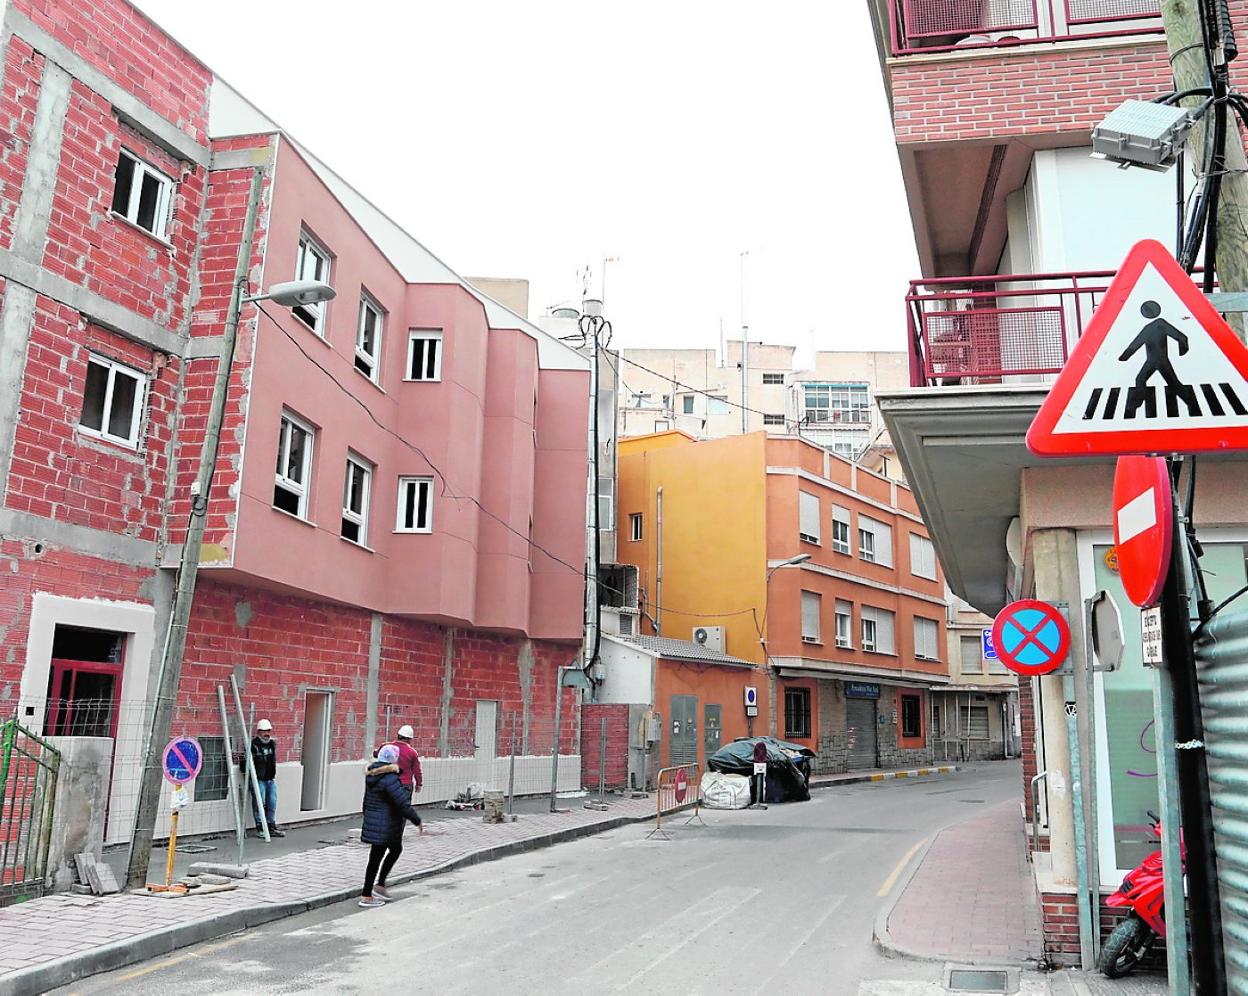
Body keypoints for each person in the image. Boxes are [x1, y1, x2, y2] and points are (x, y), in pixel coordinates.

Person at [359, 744, 423, 908]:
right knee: (381, 855)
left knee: (388, 851)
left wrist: (368, 816)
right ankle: (367, 895)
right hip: (385, 823)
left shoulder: (373, 774)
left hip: (376, 820)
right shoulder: (389, 778)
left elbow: (366, 801)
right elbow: (402, 803)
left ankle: (378, 887)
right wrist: (416, 820)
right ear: (393, 759)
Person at [243, 718, 285, 838]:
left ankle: (271, 826)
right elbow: (246, 763)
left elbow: (272, 761)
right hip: (258, 779)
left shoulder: (272, 744)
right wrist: (252, 776)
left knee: (272, 802)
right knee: (259, 803)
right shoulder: (253, 745)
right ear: (259, 732)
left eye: (268, 731)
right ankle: (260, 827)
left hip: (270, 779)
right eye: (264, 731)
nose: (267, 734)